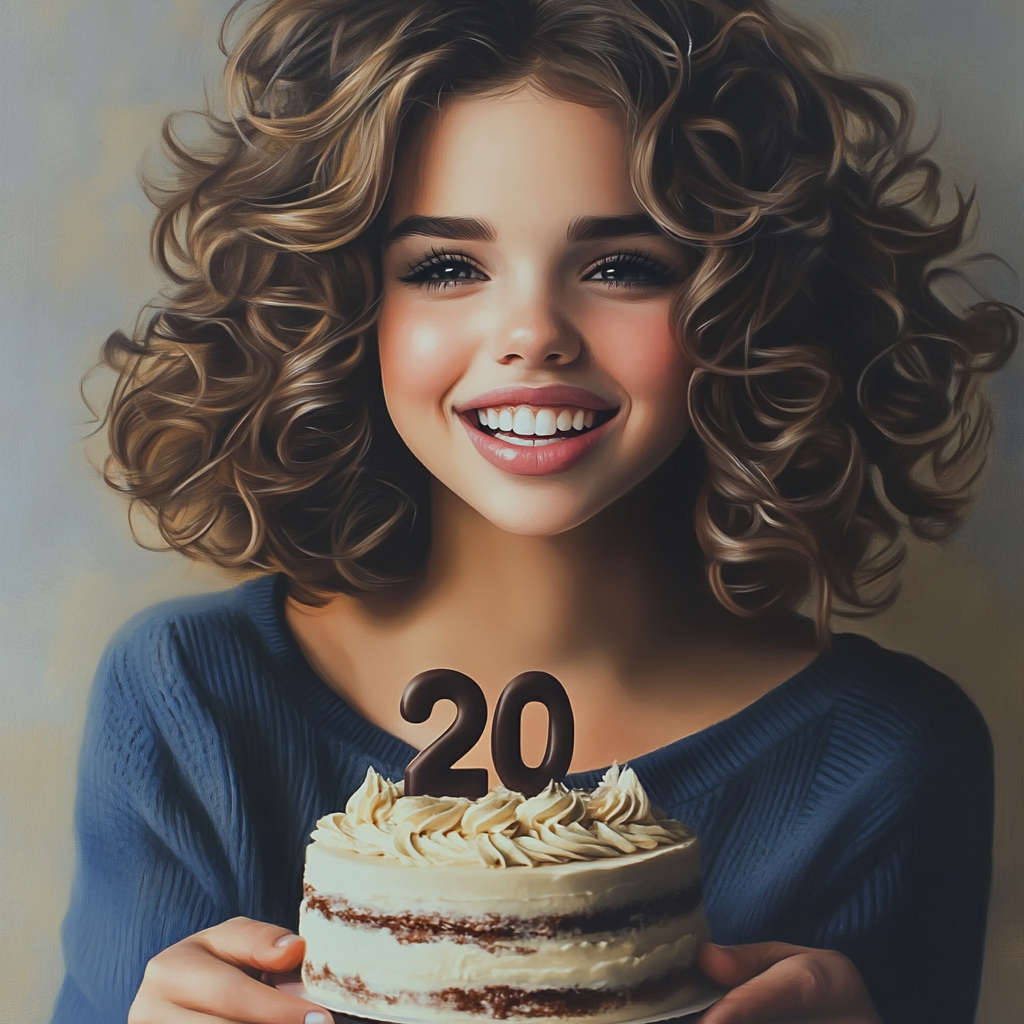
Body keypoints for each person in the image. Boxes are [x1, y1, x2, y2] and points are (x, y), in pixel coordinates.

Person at [53, 0, 1016, 1022]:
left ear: (746, 306)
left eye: (621, 267)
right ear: (341, 305)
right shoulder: (188, 703)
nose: (533, 333)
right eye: (446, 267)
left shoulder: (887, 759)